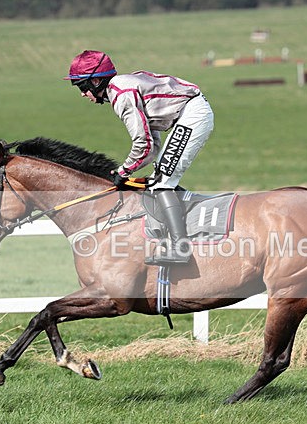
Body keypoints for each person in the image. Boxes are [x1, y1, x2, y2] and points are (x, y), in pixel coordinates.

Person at [65, 50, 214, 265]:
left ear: (96, 81)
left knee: (162, 184)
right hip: (191, 112)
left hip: (193, 115)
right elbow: (151, 146)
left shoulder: (121, 95)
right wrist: (128, 171)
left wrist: (122, 171)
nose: (82, 94)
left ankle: (181, 248)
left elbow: (143, 144)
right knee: (157, 180)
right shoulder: (121, 87)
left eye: (82, 87)